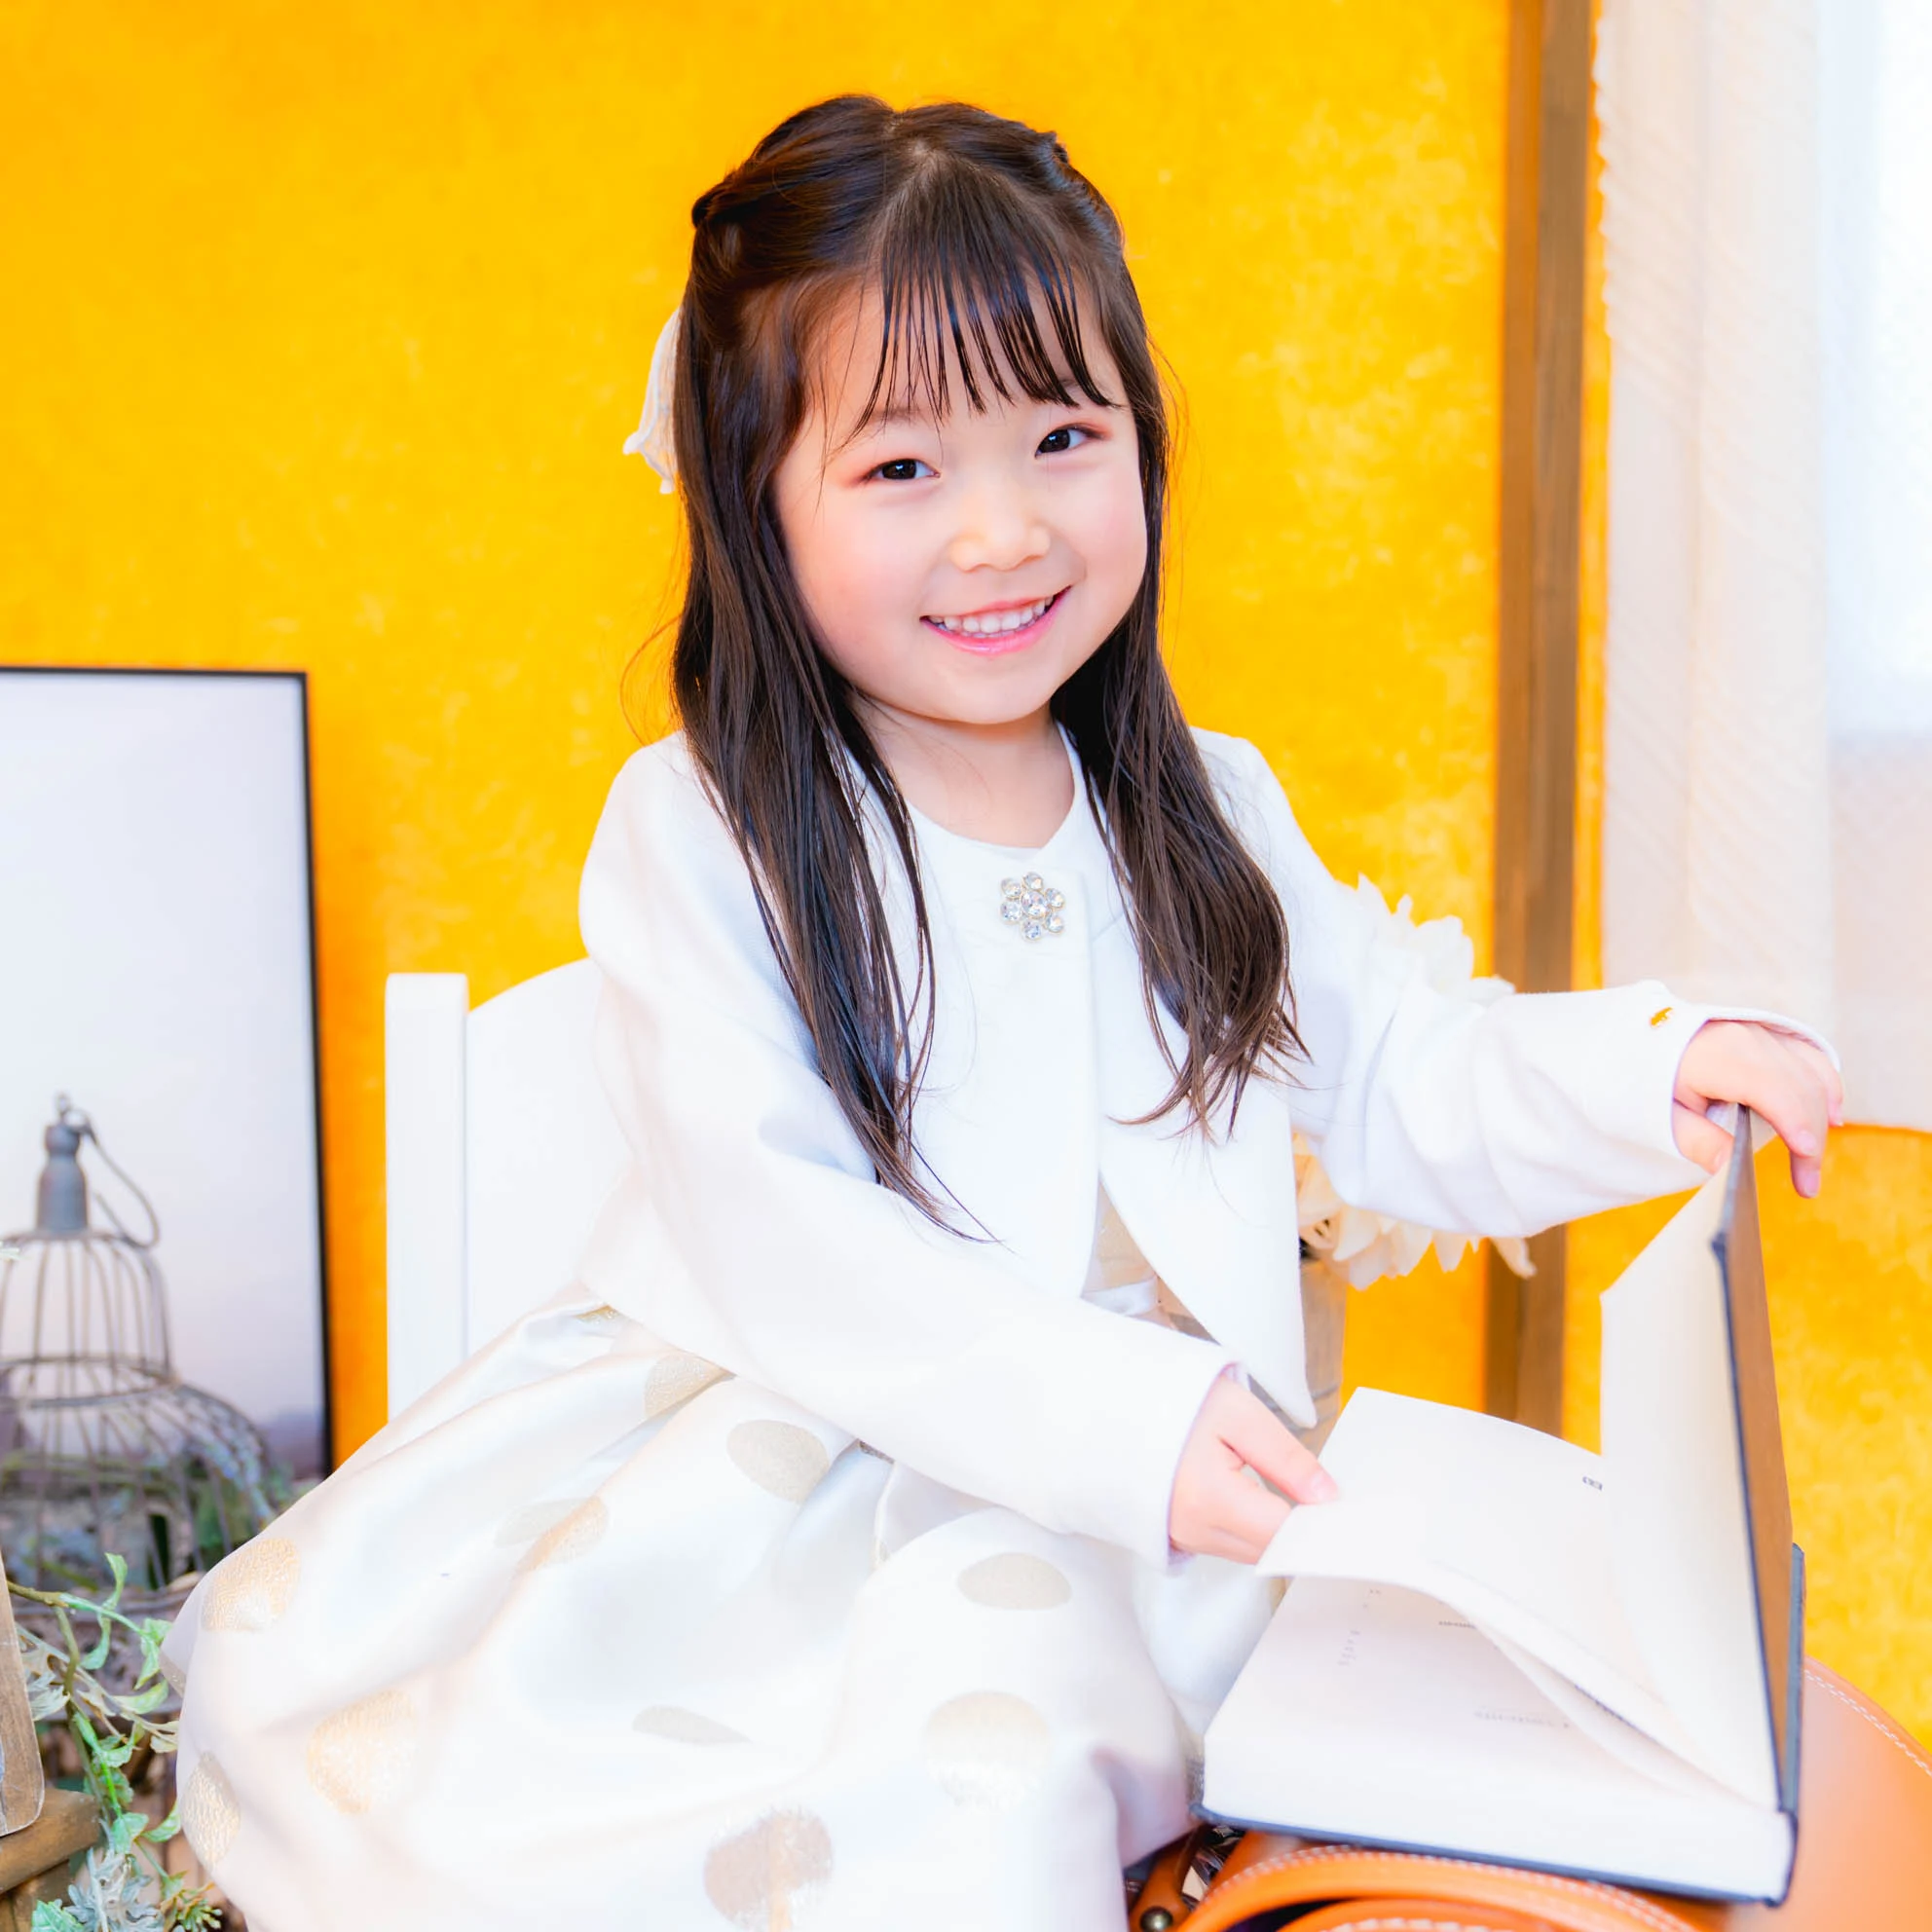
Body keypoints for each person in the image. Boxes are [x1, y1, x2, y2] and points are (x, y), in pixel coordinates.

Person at [166, 95, 1840, 1932]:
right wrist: (1121, 1420)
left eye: (1062, 437)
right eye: (900, 468)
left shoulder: (1200, 801)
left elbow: (1399, 1065)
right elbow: (781, 1230)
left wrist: (1649, 1068)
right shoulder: (707, 827)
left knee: (1426, 1706)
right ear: (753, 504)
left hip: (1168, 1494)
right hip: (812, 1473)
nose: (1002, 530)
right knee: (936, 1774)